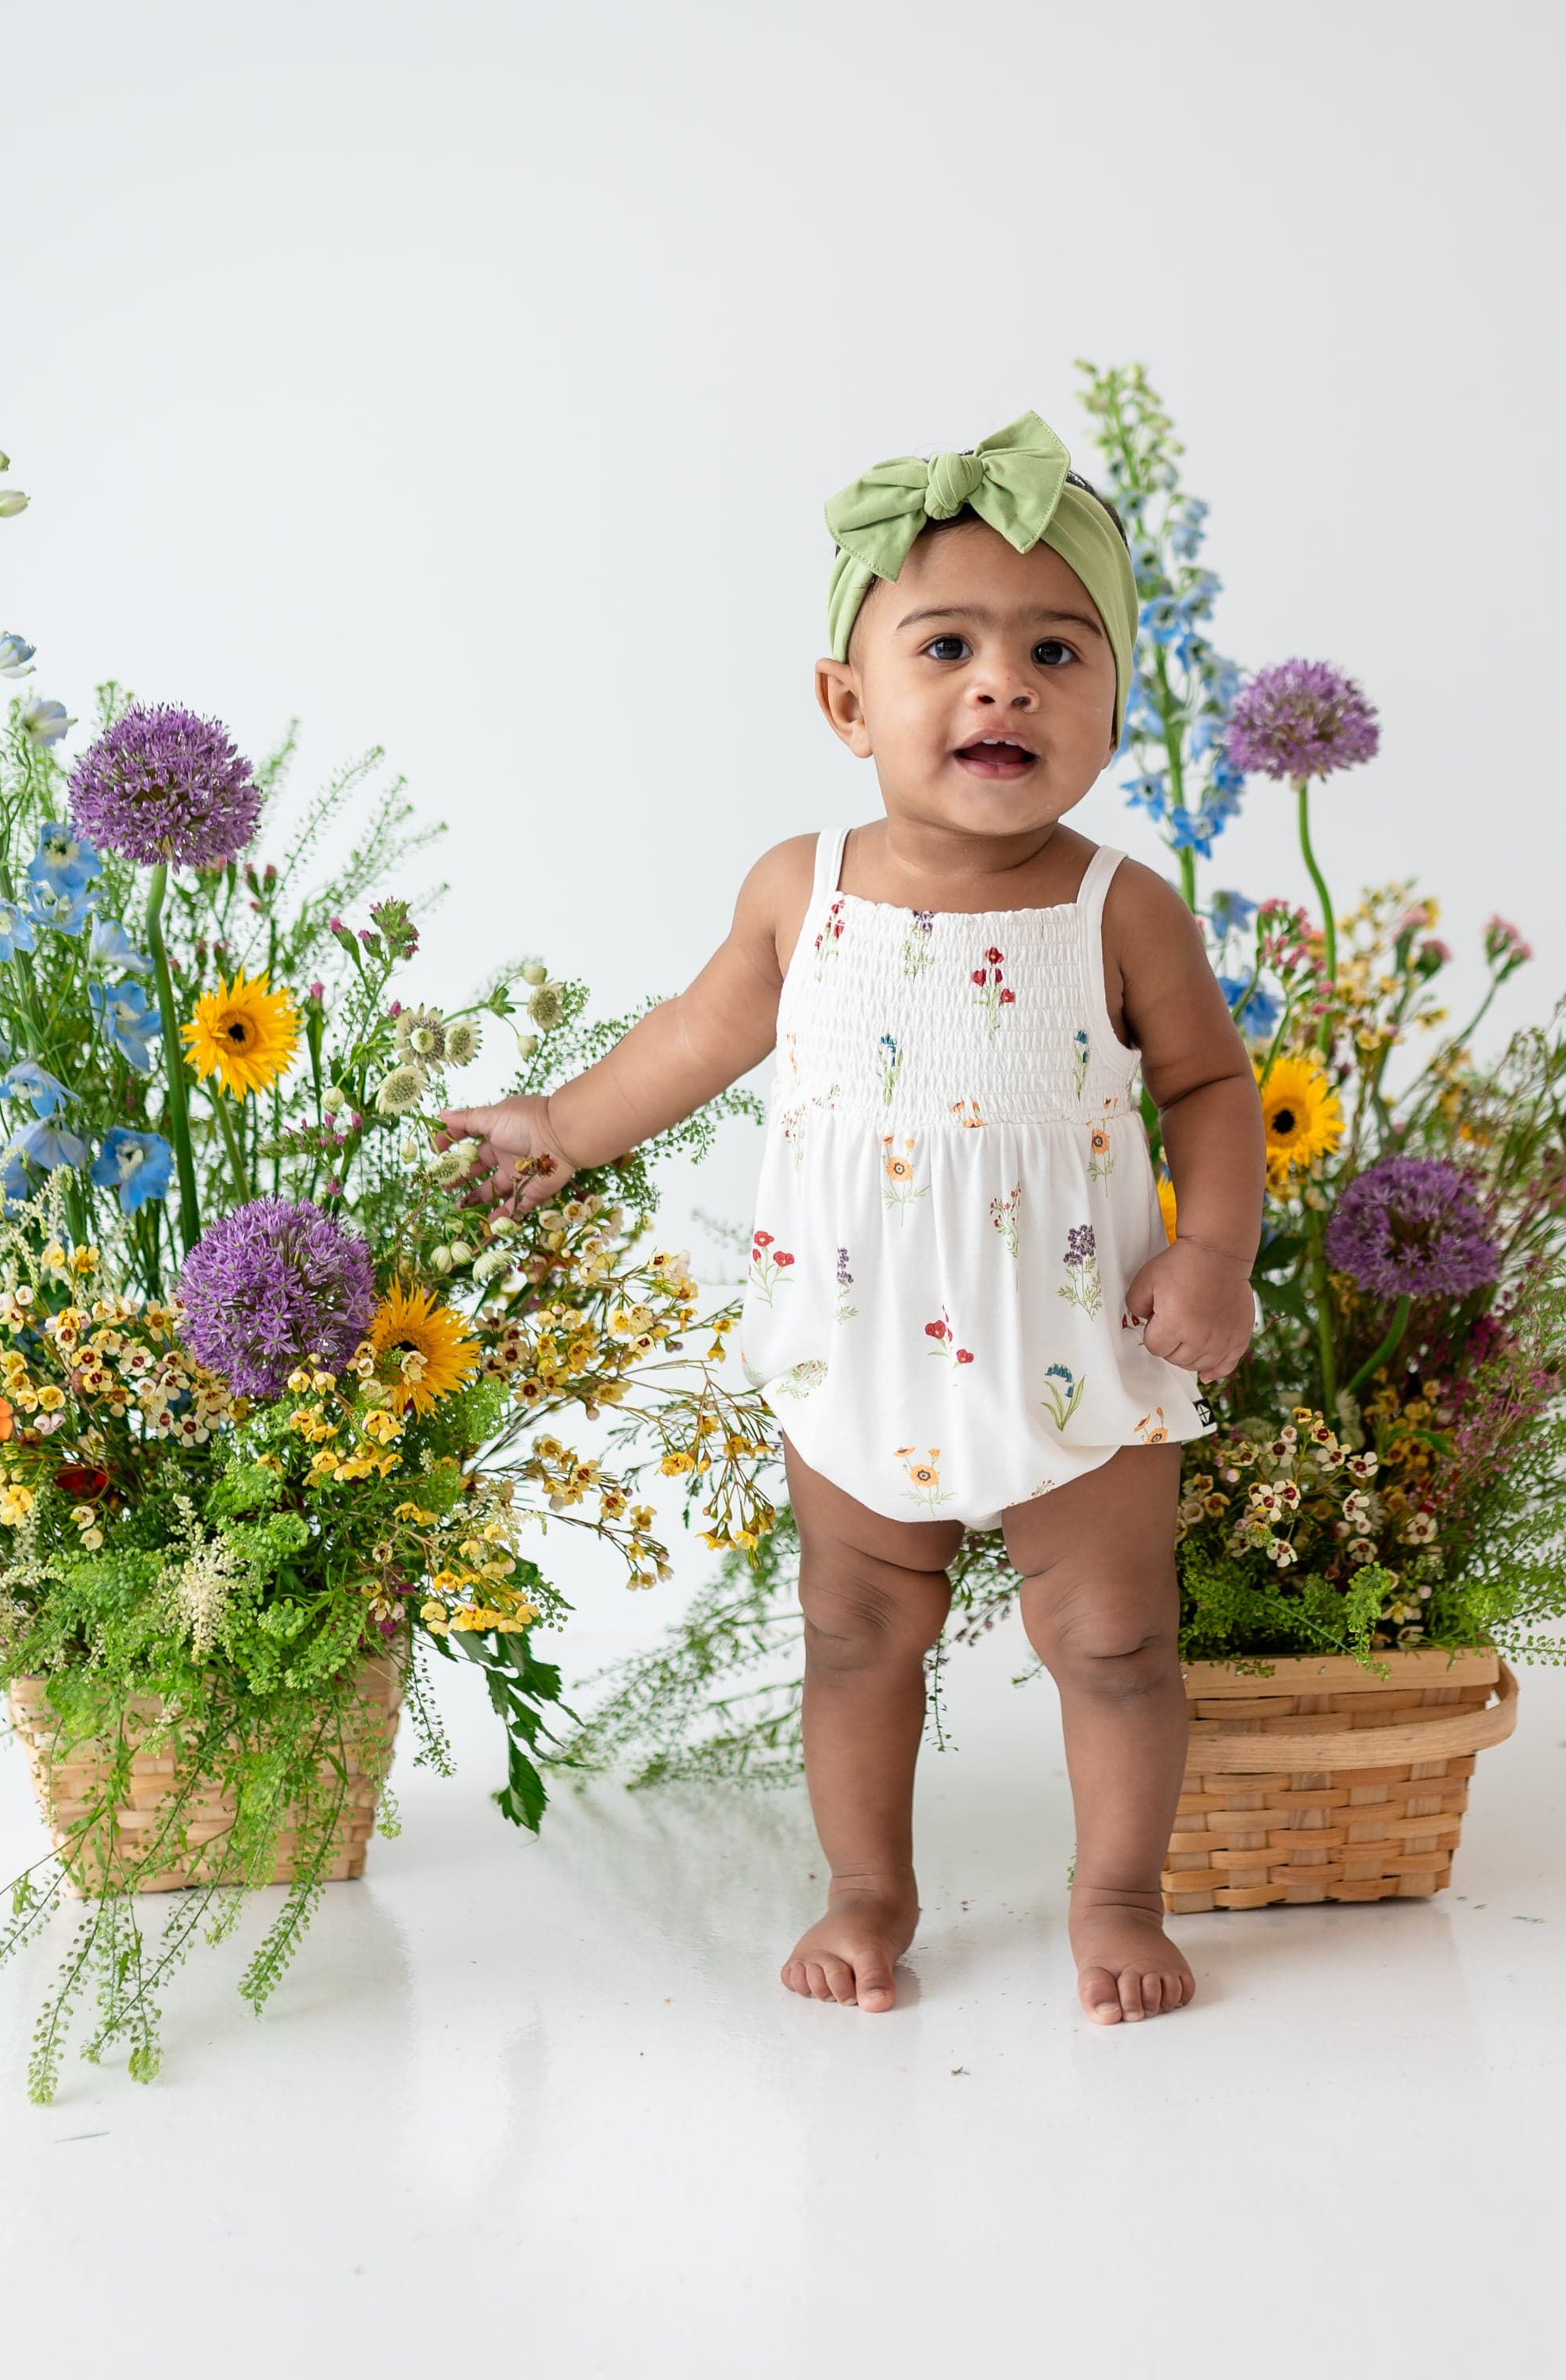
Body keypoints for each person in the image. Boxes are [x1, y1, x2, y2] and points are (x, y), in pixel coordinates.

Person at [439, 412, 1264, 2024]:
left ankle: (1118, 1891)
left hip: (1078, 1336)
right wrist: (559, 1128)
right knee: (855, 1631)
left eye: (1056, 650)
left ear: (1112, 704)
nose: (1002, 682)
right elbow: (697, 1035)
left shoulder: (1122, 908)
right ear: (846, 701)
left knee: (1111, 1642)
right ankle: (867, 1891)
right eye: (945, 644)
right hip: (860, 1330)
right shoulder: (798, 888)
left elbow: (1213, 1092)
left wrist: (1214, 1248)